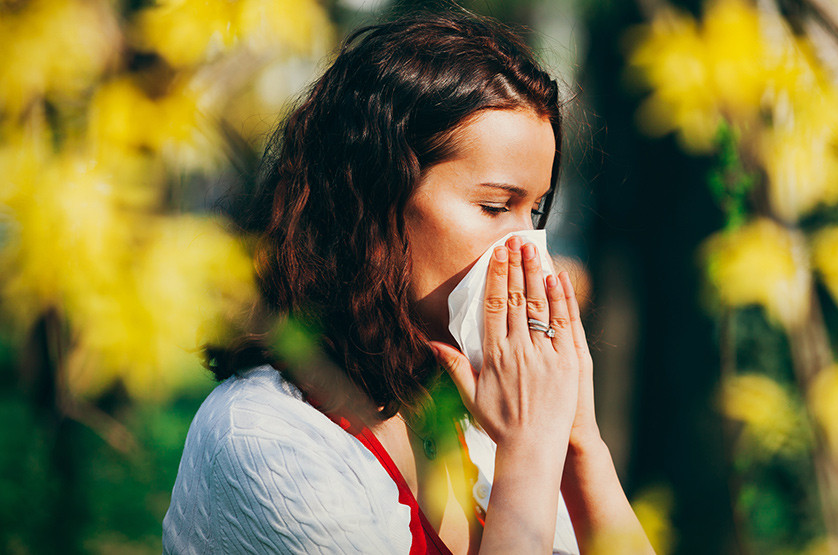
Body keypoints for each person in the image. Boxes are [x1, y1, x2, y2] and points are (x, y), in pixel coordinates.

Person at [162, 8, 654, 554]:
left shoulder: (476, 414)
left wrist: (578, 442)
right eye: (495, 206)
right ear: (371, 201)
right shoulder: (268, 441)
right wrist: (531, 452)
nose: (529, 255)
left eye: (533, 213)